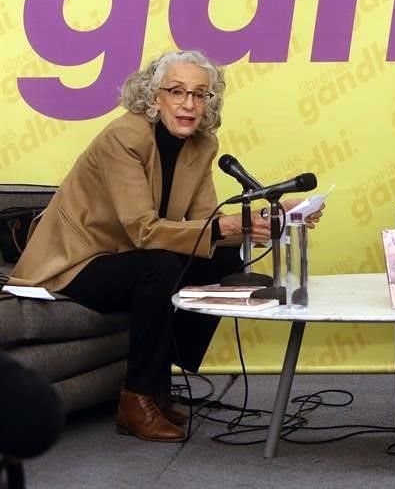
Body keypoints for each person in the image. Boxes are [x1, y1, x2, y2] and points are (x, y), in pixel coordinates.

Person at [9, 50, 323, 443]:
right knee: (158, 265)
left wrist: (265, 218)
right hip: (78, 260)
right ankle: (137, 398)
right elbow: (143, 230)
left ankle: (162, 383)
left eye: (200, 95)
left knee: (222, 258)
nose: (189, 104)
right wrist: (229, 224)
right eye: (176, 92)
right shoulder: (123, 137)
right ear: (153, 97)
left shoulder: (201, 145)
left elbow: (205, 224)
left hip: (129, 256)